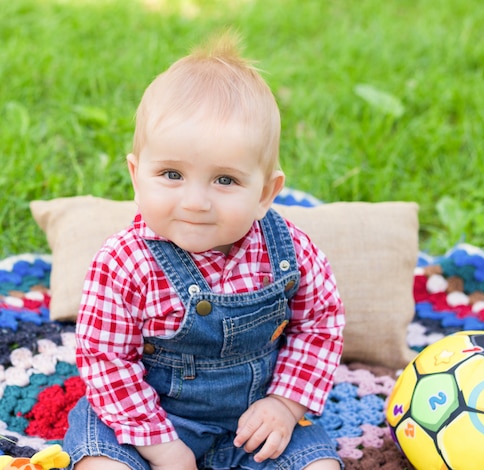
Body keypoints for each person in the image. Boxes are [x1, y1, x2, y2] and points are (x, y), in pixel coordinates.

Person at [63, 30, 345, 470]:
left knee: (318, 466)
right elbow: (106, 360)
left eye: (225, 180)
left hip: (252, 424)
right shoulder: (124, 264)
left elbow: (320, 325)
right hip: (142, 423)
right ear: (137, 177)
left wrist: (285, 405)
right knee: (102, 463)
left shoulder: (290, 252)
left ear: (267, 192)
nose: (195, 201)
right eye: (172, 174)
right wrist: (163, 448)